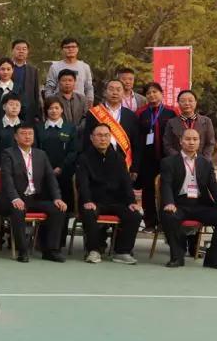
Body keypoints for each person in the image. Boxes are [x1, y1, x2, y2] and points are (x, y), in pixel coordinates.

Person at [159, 128, 217, 270]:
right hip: (178, 204)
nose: (191, 142)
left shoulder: (205, 163)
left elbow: (213, 185)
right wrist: (169, 202)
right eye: (188, 139)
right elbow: (166, 184)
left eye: (195, 139)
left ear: (199, 142)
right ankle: (177, 257)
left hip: (200, 204)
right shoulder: (168, 162)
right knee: (169, 216)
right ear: (181, 141)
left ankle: (213, 259)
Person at [75, 123, 143, 264]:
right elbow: (83, 184)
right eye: (99, 135)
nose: (103, 139)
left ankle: (122, 252)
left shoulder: (118, 158)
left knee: (135, 214)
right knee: (88, 212)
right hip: (94, 201)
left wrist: (132, 202)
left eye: (106, 135)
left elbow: (126, 182)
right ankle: (94, 250)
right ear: (91, 138)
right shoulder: (84, 158)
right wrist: (87, 200)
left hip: (116, 201)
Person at [0, 125, 67, 263]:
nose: (27, 136)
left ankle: (50, 250)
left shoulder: (41, 154)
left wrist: (57, 198)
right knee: (18, 210)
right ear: (15, 137)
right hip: (14, 199)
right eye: (23, 133)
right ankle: (22, 251)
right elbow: (7, 179)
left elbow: (50, 178)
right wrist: (15, 198)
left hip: (35, 198)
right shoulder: (8, 153)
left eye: (30, 133)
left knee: (58, 209)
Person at [36, 98, 79, 246]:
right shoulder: (39, 128)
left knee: (62, 208)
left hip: (63, 174)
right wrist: (46, 169)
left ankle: (59, 242)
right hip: (42, 175)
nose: (53, 111)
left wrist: (61, 167)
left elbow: (74, 151)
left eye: (56, 108)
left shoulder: (70, 128)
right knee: (44, 206)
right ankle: (42, 241)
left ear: (62, 110)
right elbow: (35, 150)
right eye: (50, 108)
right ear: (46, 111)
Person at [136, 83, 177, 231]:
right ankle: (150, 223)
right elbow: (137, 137)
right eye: (148, 93)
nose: (152, 95)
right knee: (148, 191)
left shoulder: (172, 112)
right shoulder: (140, 113)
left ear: (161, 93)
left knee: (167, 189)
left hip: (167, 159)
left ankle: (166, 222)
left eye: (155, 92)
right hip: (147, 159)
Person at [83, 80, 141, 177]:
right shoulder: (94, 113)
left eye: (118, 90)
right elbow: (87, 140)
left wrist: (135, 168)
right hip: (98, 163)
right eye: (111, 89)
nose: (115, 92)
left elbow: (136, 144)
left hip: (124, 164)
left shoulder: (131, 116)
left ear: (123, 93)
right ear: (105, 92)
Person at [163, 90, 216, 162]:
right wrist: (179, 159)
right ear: (178, 103)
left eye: (190, 100)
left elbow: (210, 143)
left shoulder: (206, 121)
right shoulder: (171, 122)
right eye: (183, 101)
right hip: (178, 163)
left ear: (195, 102)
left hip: (201, 162)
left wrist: (204, 160)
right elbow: (167, 144)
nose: (187, 103)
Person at [44, 37, 94, 105]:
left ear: (78, 49)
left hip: (80, 104)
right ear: (62, 50)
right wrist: (50, 103)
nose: (70, 49)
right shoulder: (55, 67)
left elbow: (89, 87)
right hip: (59, 104)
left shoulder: (85, 67)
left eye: (73, 47)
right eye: (67, 47)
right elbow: (49, 87)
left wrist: (90, 101)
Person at [9, 39, 44, 122]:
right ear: (12, 50)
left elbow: (36, 93)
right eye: (18, 49)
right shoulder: (6, 68)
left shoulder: (33, 70)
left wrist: (37, 113)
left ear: (28, 51)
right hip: (10, 108)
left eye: (24, 49)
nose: (21, 51)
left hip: (28, 111)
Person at [0, 58, 25, 125]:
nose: (5, 72)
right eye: (2, 69)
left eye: (8, 69)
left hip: (15, 126)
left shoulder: (19, 89)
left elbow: (24, 110)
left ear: (13, 70)